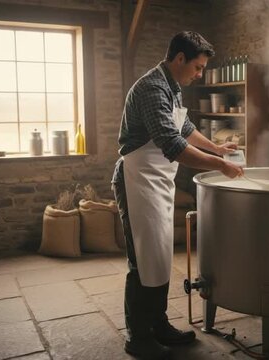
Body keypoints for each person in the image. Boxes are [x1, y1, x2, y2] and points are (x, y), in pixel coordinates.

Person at [112, 31, 243, 359]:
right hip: (136, 179)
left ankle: (158, 324)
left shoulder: (170, 86)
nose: (199, 74)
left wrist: (216, 148)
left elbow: (182, 128)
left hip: (154, 180)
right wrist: (219, 165)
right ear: (179, 58)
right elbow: (172, 144)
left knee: (157, 256)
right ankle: (137, 336)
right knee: (141, 260)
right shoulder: (151, 88)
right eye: (197, 67)